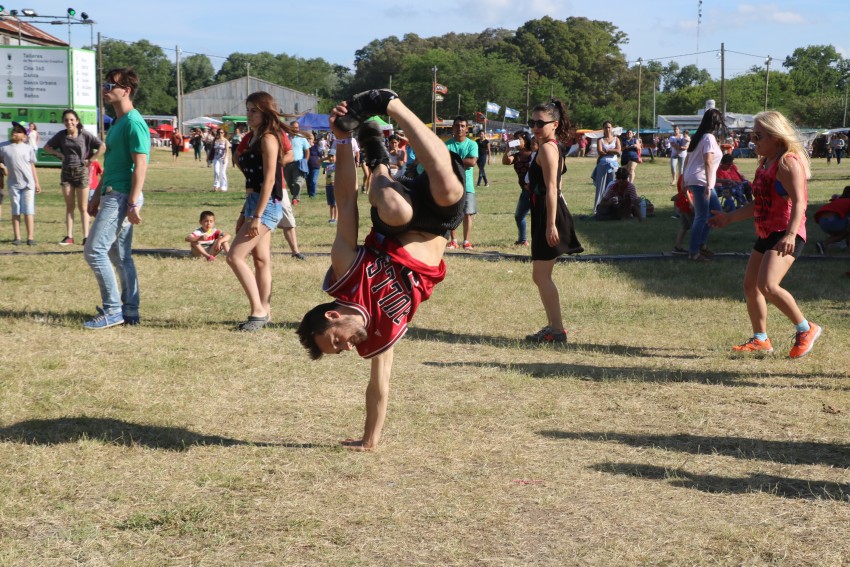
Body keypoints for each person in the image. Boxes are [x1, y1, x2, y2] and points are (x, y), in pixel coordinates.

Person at [296, 89, 466, 451]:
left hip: (397, 209)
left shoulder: (344, 271)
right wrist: (369, 440)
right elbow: (379, 385)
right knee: (451, 189)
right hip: (439, 220)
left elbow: (344, 201)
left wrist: (341, 141)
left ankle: (384, 118)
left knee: (394, 209)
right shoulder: (378, 335)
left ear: (332, 315)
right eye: (339, 351)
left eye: (336, 341)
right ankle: (376, 135)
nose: (346, 348)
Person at [708, 110, 821, 359]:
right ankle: (761, 339)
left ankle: (806, 328)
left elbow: (800, 202)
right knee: (751, 286)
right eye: (752, 136)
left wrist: (791, 235)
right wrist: (730, 217)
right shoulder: (765, 164)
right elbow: (758, 204)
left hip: (787, 232)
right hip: (769, 231)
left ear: (776, 137)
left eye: (758, 136)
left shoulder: (787, 162)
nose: (753, 141)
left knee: (768, 285)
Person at [83, 67, 150, 329]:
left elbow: (140, 165)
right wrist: (96, 196)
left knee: (94, 251)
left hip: (123, 196)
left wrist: (132, 201)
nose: (106, 89)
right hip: (113, 193)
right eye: (105, 84)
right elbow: (112, 166)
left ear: (127, 90)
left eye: (112, 85)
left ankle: (113, 310)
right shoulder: (118, 122)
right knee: (120, 257)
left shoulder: (134, 122)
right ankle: (130, 311)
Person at [229, 91, 298, 331]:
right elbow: (253, 183)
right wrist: (244, 213)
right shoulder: (252, 138)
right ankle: (265, 312)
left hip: (266, 205)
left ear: (265, 111)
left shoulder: (269, 138)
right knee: (260, 259)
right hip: (254, 202)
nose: (249, 114)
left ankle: (257, 311)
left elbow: (269, 180)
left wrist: (256, 216)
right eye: (248, 109)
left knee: (234, 256)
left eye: (254, 110)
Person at [525, 100, 583, 343]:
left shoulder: (548, 148)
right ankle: (554, 327)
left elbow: (551, 188)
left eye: (541, 123)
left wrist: (550, 224)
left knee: (541, 275)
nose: (536, 127)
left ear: (554, 124)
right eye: (533, 122)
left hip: (548, 213)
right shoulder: (549, 146)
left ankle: (557, 330)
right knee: (541, 275)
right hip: (546, 211)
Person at [42, 110, 105, 246]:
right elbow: (46, 147)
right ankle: (69, 236)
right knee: (70, 206)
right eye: (66, 120)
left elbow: (102, 146)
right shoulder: (61, 136)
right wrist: (60, 155)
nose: (69, 122)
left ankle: (86, 237)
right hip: (66, 173)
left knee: (83, 207)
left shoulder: (85, 135)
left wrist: (92, 160)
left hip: (82, 172)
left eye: (71, 120)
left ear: (77, 121)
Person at [682, 109, 723, 262]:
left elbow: (687, 159)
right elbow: (708, 161)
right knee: (701, 216)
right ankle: (694, 252)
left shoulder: (698, 137)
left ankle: (701, 245)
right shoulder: (709, 138)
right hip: (702, 181)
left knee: (716, 211)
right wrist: (709, 184)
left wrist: (685, 178)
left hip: (694, 178)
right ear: (716, 123)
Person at [0, 121, 41, 245]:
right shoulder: (3, 146)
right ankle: (17, 237)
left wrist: (37, 182)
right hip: (13, 184)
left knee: (28, 210)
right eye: (14, 130)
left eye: (18, 131)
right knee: (16, 210)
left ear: (24, 136)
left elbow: (32, 165)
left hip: (28, 185)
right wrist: (3, 166)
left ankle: (30, 237)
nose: (14, 132)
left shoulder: (28, 148)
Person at [445, 116, 478, 249]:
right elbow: (442, 162)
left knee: (467, 213)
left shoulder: (472, 144)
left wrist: (452, 160)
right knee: (452, 213)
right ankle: (453, 240)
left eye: (463, 126)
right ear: (453, 127)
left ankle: (466, 241)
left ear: (467, 128)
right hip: (451, 184)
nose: (460, 128)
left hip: (467, 185)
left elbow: (472, 162)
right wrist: (462, 160)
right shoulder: (447, 144)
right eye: (457, 125)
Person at [502, 130, 535, 246]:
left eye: (518, 139)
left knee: (537, 216)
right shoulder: (515, 152)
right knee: (519, 216)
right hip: (525, 190)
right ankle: (523, 240)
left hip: (535, 190)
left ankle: (538, 239)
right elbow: (506, 162)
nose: (515, 142)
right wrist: (508, 151)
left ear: (525, 140)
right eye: (514, 139)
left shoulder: (533, 152)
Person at [591, 121, 620, 215]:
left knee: (613, 187)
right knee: (600, 188)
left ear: (612, 128)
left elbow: (619, 151)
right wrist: (613, 151)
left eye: (609, 127)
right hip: (602, 165)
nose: (608, 129)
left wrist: (607, 150)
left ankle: (613, 209)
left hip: (614, 166)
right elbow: (600, 152)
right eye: (606, 127)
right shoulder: (600, 140)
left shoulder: (616, 139)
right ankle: (597, 209)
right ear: (603, 129)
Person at [813, 186, 850, 254]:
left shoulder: (838, 200)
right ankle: (827, 243)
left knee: (840, 233)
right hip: (833, 221)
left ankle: (823, 245)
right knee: (845, 232)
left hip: (822, 222)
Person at [286, 121, 310, 203]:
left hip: (298, 163)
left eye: (297, 127)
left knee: (298, 182)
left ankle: (296, 198)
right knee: (289, 183)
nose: (296, 129)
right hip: (287, 164)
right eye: (294, 127)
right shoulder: (285, 138)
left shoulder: (302, 138)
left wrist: (305, 161)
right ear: (290, 128)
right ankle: (294, 194)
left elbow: (307, 150)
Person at [672, 176, 694, 255]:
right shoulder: (688, 176)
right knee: (695, 227)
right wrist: (691, 204)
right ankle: (695, 248)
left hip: (682, 203)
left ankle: (677, 247)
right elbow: (686, 191)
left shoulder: (683, 175)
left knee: (685, 227)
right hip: (688, 204)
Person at [306, 132, 323, 198]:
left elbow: (321, 155)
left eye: (310, 138)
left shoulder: (316, 146)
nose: (309, 140)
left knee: (313, 181)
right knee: (308, 180)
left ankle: (313, 194)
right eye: (308, 139)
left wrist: (320, 162)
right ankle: (310, 194)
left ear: (313, 139)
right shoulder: (305, 146)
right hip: (307, 166)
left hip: (315, 166)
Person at [325, 147, 337, 224]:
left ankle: (336, 218)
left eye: (332, 156)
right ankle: (331, 218)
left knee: (335, 203)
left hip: (335, 186)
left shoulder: (338, 165)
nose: (331, 158)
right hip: (328, 186)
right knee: (331, 203)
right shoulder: (327, 165)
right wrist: (326, 157)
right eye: (329, 156)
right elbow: (317, 161)